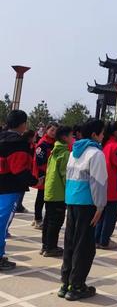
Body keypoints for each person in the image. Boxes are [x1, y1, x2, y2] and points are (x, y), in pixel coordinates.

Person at [59, 119, 108, 301]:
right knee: (85, 247)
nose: (103, 137)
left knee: (70, 243)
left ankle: (66, 283)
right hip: (87, 204)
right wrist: (100, 206)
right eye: (102, 133)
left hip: (72, 202)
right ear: (95, 134)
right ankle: (77, 286)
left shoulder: (74, 152)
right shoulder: (96, 154)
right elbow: (99, 183)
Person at [0, 110, 37, 271]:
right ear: (22, 124)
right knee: (2, 223)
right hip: (9, 188)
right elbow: (19, 169)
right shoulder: (18, 143)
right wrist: (34, 181)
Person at [95, 121, 117, 250]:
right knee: (110, 216)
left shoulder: (103, 145)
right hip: (113, 188)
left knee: (101, 215)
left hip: (102, 185)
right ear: (116, 132)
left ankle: (97, 238)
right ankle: (104, 240)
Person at [41, 125, 73, 257]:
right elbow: (65, 175)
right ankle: (51, 247)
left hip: (50, 191)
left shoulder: (54, 150)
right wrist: (69, 190)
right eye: (71, 136)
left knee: (48, 220)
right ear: (65, 137)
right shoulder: (64, 154)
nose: (73, 138)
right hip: (58, 193)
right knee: (56, 221)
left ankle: (45, 245)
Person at [32, 122, 58, 229]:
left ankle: (37, 218)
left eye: (55, 131)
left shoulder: (54, 143)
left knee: (44, 197)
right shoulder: (43, 143)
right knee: (41, 197)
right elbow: (39, 161)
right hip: (43, 174)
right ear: (47, 130)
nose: (53, 133)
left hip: (50, 173)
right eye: (52, 130)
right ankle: (38, 219)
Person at [15, 129, 36, 214]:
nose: (35, 138)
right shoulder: (24, 146)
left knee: (22, 189)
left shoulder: (31, 145)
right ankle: (18, 206)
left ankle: (19, 205)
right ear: (30, 138)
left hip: (26, 169)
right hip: (22, 170)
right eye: (34, 136)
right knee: (20, 189)